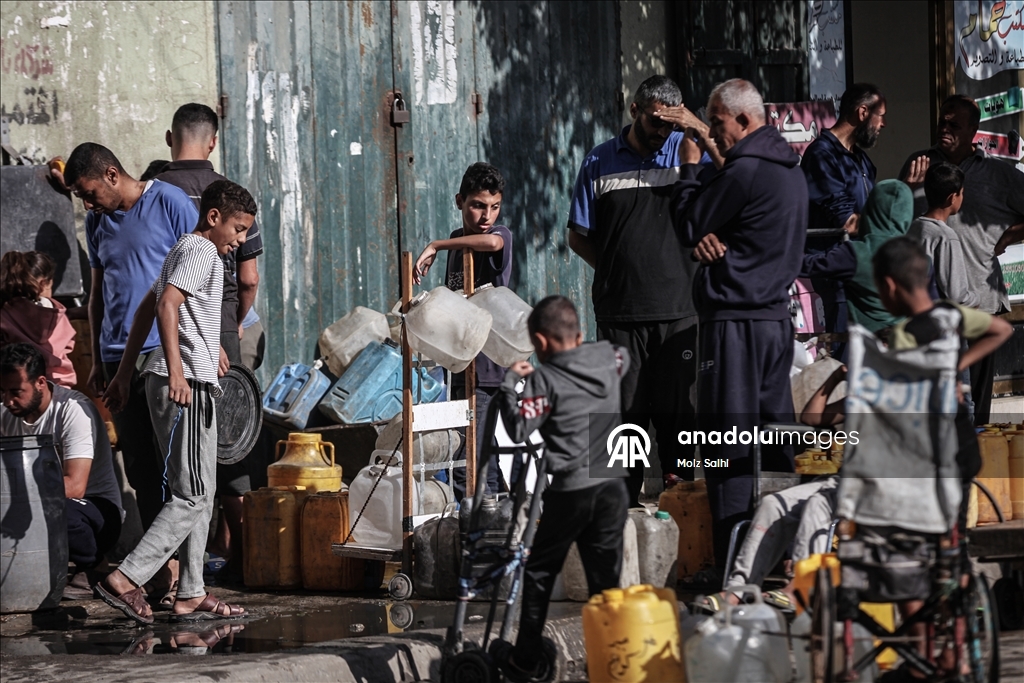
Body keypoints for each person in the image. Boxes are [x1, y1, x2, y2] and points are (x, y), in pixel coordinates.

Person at [850, 237, 1011, 681]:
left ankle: (921, 656)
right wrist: (956, 366)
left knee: (909, 560)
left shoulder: (902, 337)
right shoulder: (951, 316)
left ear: (888, 286)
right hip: (961, 455)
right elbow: (1002, 331)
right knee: (950, 551)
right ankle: (957, 654)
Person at [95, 180, 254, 625]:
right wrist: (180, 370)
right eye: (238, 229)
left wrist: (124, 374)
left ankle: (191, 592)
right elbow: (167, 305)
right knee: (192, 495)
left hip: (177, 377)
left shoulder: (183, 249)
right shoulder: (202, 251)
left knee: (199, 492)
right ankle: (126, 578)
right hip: (184, 385)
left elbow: (147, 308)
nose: (241, 240)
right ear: (214, 217)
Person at [670, 78, 807, 573]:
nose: (713, 133)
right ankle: (781, 557)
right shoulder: (788, 172)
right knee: (775, 441)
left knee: (726, 444)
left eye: (717, 122)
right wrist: (712, 232)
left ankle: (735, 566)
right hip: (773, 324)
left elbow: (689, 223)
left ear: (744, 120)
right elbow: (722, 225)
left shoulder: (745, 172)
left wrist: (689, 169)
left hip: (735, 326)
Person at [566, 75, 708, 505]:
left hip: (679, 315)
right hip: (620, 317)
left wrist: (696, 127)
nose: (662, 131)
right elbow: (577, 236)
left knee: (678, 424)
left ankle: (681, 514)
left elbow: (738, 166)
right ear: (634, 110)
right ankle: (620, 515)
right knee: (622, 421)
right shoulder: (599, 161)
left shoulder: (689, 155)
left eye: (671, 123)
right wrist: (616, 270)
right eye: (655, 120)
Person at [64, 143, 197, 567]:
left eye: (89, 193)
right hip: (115, 358)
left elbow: (201, 274)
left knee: (176, 466)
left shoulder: (170, 202)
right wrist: (97, 359)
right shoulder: (96, 221)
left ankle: (186, 569)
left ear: (111, 174)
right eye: (81, 198)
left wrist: (205, 345)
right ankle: (159, 569)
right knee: (140, 469)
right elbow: (98, 293)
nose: (88, 204)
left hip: (163, 353)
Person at [494, 296, 629, 683]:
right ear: (579, 335)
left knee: (539, 571)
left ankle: (525, 660)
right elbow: (624, 359)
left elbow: (519, 429)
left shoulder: (544, 380)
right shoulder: (610, 357)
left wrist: (509, 385)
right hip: (613, 486)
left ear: (540, 342)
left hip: (572, 490)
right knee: (605, 585)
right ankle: (616, 664)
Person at [155, 102, 264, 578]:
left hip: (176, 348)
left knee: (186, 478)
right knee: (219, 460)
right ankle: (233, 557)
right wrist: (231, 327)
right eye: (236, 231)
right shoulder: (221, 216)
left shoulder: (153, 191)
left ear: (170, 138)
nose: (238, 238)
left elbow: (155, 297)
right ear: (213, 141)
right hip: (199, 351)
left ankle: (188, 582)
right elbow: (248, 278)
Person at [899, 95, 1024, 423]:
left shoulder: (998, 174)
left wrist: (1009, 236)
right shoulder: (920, 164)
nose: (945, 129)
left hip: (977, 303)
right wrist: (904, 188)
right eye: (942, 121)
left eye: (954, 125)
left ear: (973, 131)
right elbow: (894, 221)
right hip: (927, 312)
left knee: (973, 412)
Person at [701, 365, 846, 614]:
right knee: (773, 504)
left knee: (817, 504)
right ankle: (739, 590)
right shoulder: (867, 398)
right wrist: (834, 378)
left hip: (880, 487)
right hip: (841, 483)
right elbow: (811, 418)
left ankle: (800, 587)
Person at [414, 162, 511, 497]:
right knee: (477, 449)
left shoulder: (499, 235)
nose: (487, 215)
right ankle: (495, 510)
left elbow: (493, 243)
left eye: (494, 206)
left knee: (468, 457)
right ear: (460, 201)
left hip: (486, 368)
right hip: (459, 366)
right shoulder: (458, 241)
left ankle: (476, 517)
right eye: (478, 205)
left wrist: (436, 245)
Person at [1, 342, 123, 595]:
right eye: (2, 391)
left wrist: (13, 500)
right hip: (34, 507)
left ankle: (95, 566)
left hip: (93, 511)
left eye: (16, 391)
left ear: (40, 382)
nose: (8, 400)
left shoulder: (73, 410)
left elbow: (75, 487)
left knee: (57, 510)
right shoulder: (6, 414)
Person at [800, 83, 886, 349]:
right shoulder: (822, 155)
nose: (883, 125)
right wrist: (893, 209)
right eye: (881, 116)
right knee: (845, 353)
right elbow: (847, 222)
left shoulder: (860, 159)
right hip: (837, 273)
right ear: (863, 112)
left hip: (863, 271)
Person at [800, 180, 915, 336]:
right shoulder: (918, 257)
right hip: (905, 342)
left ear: (869, 210)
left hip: (865, 343)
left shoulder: (857, 252)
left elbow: (809, 265)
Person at [1, 250, 77, 387]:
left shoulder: (5, 313)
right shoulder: (57, 314)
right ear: (44, 283)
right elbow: (69, 345)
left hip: (18, 389)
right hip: (60, 388)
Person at [908, 162, 978, 307]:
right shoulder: (946, 237)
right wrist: (975, 299)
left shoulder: (913, 226)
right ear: (952, 198)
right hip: (936, 314)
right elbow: (957, 295)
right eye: (961, 193)